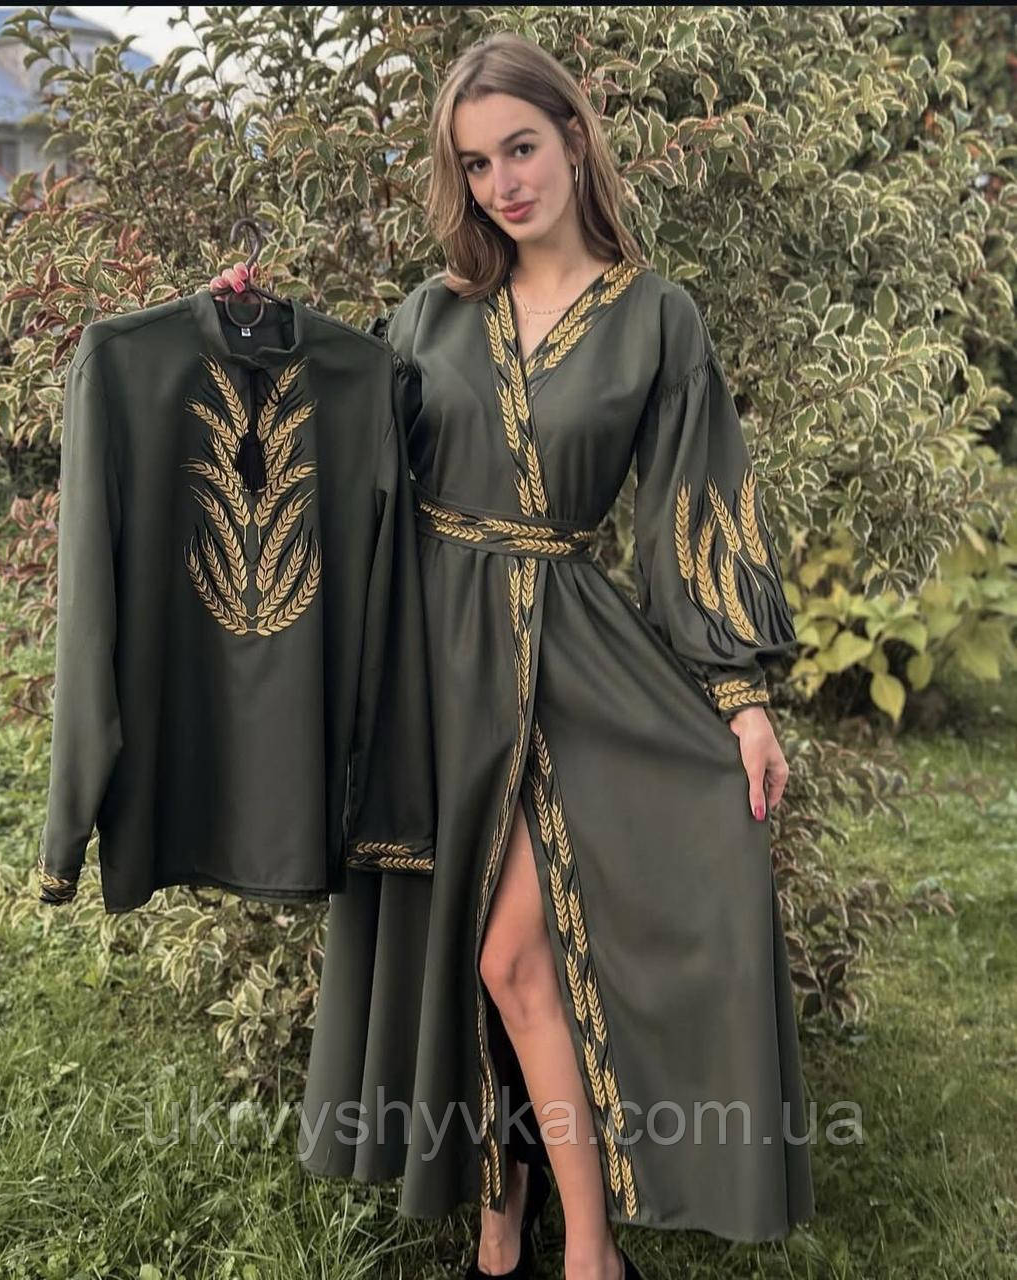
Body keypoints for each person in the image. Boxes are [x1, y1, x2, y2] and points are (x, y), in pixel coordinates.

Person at [213, 31, 814, 1280]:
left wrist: (742, 695)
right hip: (437, 665)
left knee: (505, 950)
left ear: (574, 137)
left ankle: (585, 1251)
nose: (503, 183)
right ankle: (503, 1220)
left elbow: (695, 501)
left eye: (522, 148)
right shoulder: (432, 313)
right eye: (477, 163)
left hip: (572, 664)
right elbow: (341, 457)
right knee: (473, 954)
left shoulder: (656, 317)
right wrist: (250, 343)